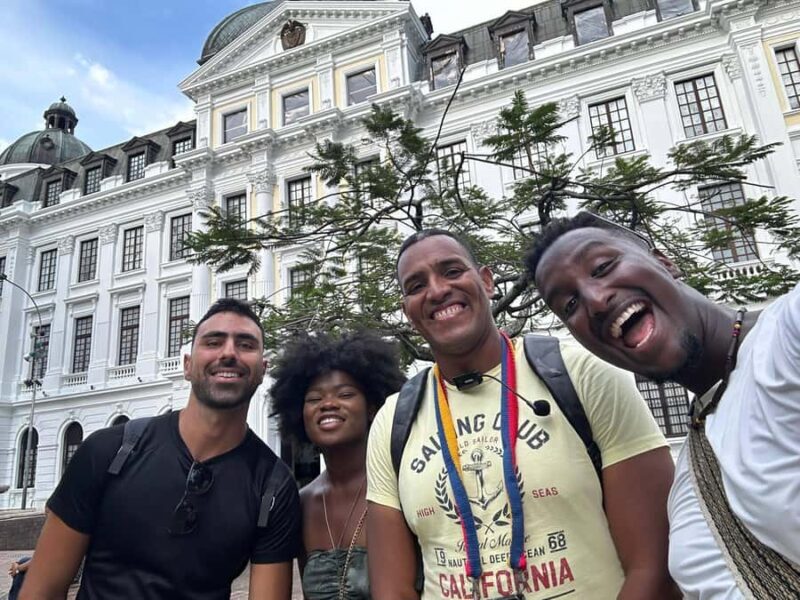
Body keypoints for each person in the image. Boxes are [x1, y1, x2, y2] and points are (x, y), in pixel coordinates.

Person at [367, 229, 678, 599]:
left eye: (451, 271)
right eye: (416, 285)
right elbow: (392, 591)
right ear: (408, 311)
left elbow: (654, 567)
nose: (436, 291)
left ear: (486, 281)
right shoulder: (392, 421)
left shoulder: (583, 375)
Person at [527, 211, 800, 598]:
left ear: (664, 262)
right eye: (569, 305)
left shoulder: (786, 339)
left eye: (603, 267)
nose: (595, 300)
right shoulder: (691, 483)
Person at [20, 298, 302, 600]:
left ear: (262, 369)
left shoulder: (273, 487)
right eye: (214, 341)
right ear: (187, 365)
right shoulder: (108, 451)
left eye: (245, 344)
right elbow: (42, 590)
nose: (229, 353)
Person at [270, 331, 406, 600]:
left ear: (372, 407)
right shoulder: (302, 503)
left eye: (344, 394)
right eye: (314, 399)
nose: (328, 404)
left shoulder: (402, 484)